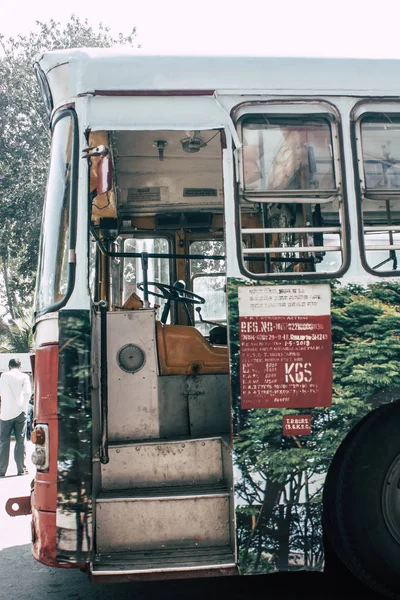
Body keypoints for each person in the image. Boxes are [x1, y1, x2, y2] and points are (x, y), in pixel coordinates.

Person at [0, 357, 32, 476]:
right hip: (20, 413)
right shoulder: (25, 377)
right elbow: (28, 393)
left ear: (9, 366)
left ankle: (1, 470)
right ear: (20, 367)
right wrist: (23, 407)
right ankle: (21, 469)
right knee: (20, 441)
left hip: (5, 413)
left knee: (4, 441)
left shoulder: (4, 376)